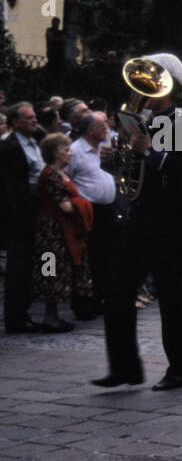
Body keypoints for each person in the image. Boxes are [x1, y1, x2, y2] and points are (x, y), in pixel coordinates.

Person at [92, 52, 182, 390]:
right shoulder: (141, 122)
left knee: (170, 293)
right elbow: (131, 175)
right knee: (117, 289)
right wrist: (115, 158)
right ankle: (125, 368)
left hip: (172, 220)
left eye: (151, 83)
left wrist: (147, 152)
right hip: (141, 217)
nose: (144, 90)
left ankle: (181, 370)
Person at [31, 134, 92, 332]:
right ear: (54, 153)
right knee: (51, 270)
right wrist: (86, 205)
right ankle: (50, 317)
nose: (70, 154)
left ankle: (54, 316)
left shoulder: (62, 174)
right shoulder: (50, 175)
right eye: (65, 150)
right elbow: (65, 206)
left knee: (61, 271)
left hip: (65, 230)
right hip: (52, 233)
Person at [64, 111, 117, 319]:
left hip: (107, 210)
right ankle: (83, 303)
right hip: (87, 211)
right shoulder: (75, 151)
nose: (106, 130)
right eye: (103, 126)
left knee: (106, 257)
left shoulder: (104, 149)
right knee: (88, 259)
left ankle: (100, 298)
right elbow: (66, 178)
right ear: (90, 130)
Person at [2, 102, 46, 333]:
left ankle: (24, 311)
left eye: (34, 116)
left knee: (31, 267)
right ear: (16, 122)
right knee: (18, 268)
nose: (34, 120)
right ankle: (15, 316)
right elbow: (12, 188)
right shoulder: (9, 147)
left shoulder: (36, 141)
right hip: (21, 217)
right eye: (28, 118)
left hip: (36, 211)